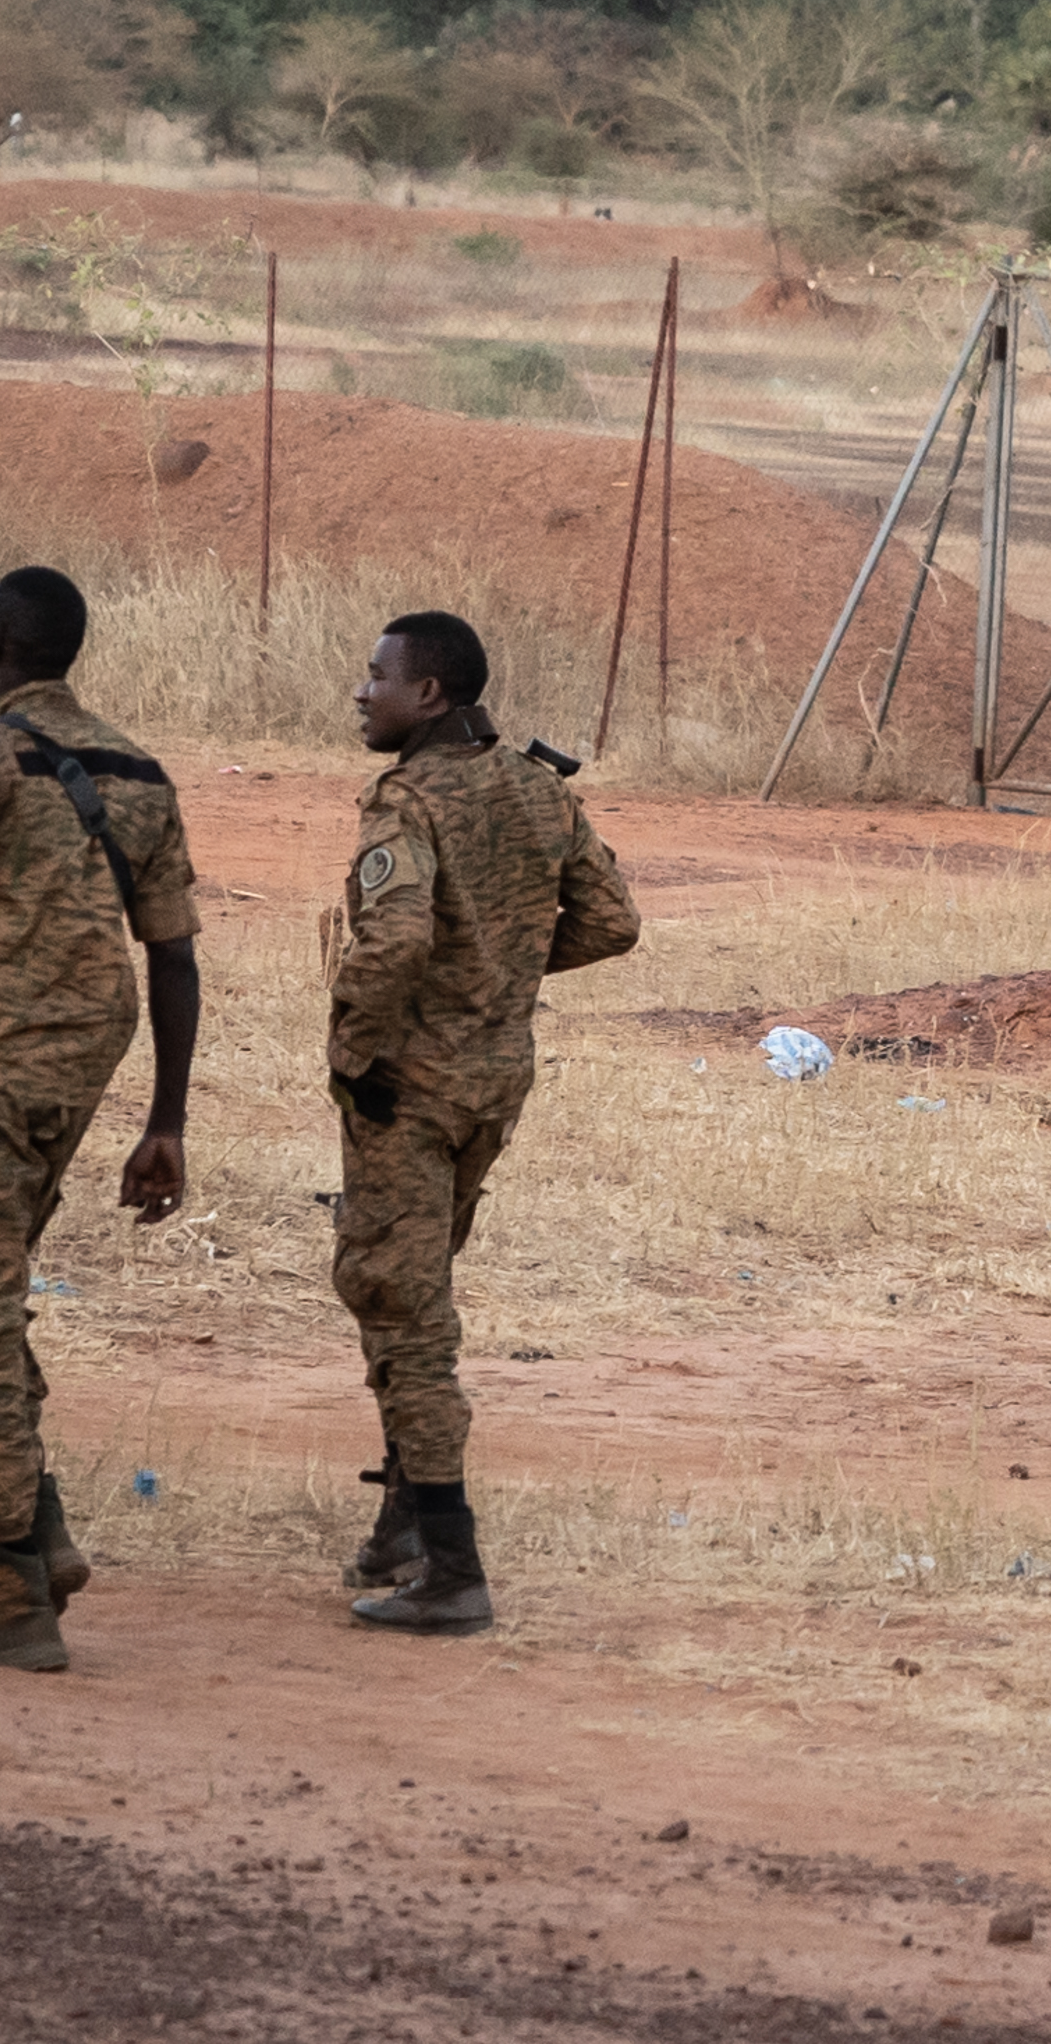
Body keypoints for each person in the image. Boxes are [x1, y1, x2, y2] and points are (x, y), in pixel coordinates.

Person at [0, 566, 198, 1673]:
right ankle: (44, 1529)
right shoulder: (138, 771)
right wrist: (167, 1119)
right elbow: (172, 952)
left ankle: (14, 1593)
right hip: (88, 1061)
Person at [324, 610, 638, 1632]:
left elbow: (398, 934)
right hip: (494, 1080)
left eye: (378, 676)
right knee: (406, 1284)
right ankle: (404, 1523)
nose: (361, 691)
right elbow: (610, 922)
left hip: (409, 1089)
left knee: (403, 1305)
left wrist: (356, 1051)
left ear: (431, 695)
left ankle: (452, 1565)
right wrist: (497, 971)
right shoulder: (537, 789)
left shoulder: (407, 799)